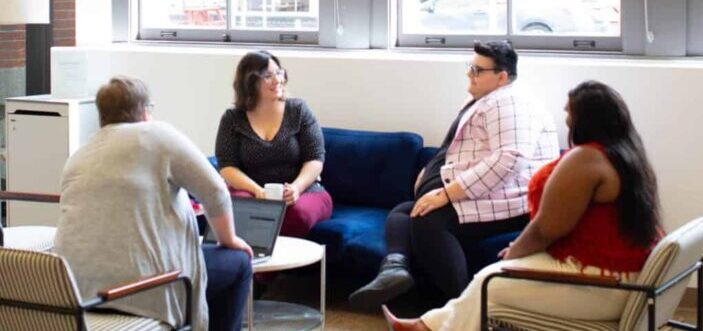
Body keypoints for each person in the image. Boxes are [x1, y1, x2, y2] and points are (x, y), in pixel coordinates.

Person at [384, 80, 664, 331]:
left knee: (488, 281)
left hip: (602, 283)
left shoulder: (586, 160)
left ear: (585, 119)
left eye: (569, 112)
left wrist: (516, 253)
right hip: (622, 274)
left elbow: (546, 228)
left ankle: (426, 327)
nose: (565, 119)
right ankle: (425, 326)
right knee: (488, 286)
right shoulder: (629, 156)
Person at [349, 41, 559, 308]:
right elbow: (465, 149)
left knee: (428, 220)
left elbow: (511, 159)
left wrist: (447, 193)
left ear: (502, 77)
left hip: (511, 201)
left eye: (477, 70)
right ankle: (394, 268)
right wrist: (430, 172)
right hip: (489, 194)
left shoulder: (511, 104)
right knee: (404, 211)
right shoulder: (487, 100)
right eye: (469, 67)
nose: (469, 74)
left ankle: (462, 308)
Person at [54, 76, 253, 331]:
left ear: (102, 115)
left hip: (79, 293)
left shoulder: (79, 155)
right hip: (148, 290)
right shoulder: (158, 135)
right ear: (146, 110)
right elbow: (216, 191)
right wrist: (229, 240)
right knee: (238, 263)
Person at [215, 50, 332, 238]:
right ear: (250, 81)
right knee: (241, 211)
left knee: (297, 215)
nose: (277, 80)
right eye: (268, 76)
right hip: (252, 191)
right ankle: (255, 266)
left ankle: (279, 267)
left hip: (303, 192)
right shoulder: (233, 119)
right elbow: (227, 166)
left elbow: (315, 157)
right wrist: (257, 191)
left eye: (279, 73)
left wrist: (296, 188)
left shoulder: (298, 110)